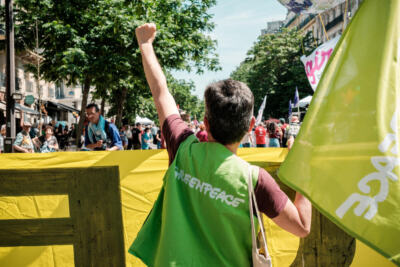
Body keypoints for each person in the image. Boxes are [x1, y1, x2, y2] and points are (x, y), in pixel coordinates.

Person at [129, 23, 311, 266]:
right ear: (251, 126)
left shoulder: (183, 147)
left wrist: (145, 44)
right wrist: (303, 166)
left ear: (205, 122)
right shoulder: (254, 180)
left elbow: (160, 92)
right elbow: (301, 226)